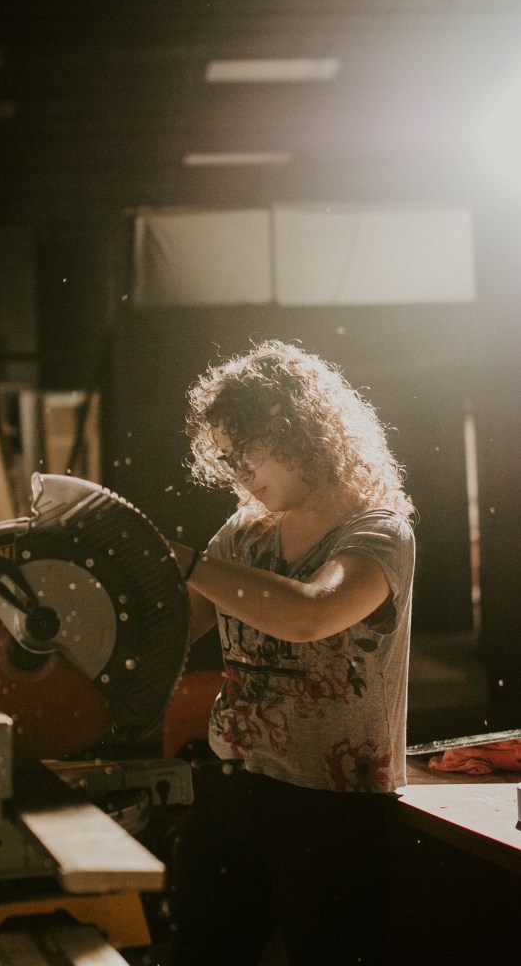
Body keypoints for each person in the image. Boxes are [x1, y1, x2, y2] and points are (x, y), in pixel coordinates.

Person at [168, 339, 416, 966]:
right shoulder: (243, 531)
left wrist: (191, 563)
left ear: (298, 427)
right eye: (224, 456)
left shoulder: (379, 532)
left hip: (334, 807)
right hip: (231, 782)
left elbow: (311, 613)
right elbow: (177, 627)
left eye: (246, 447)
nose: (238, 471)